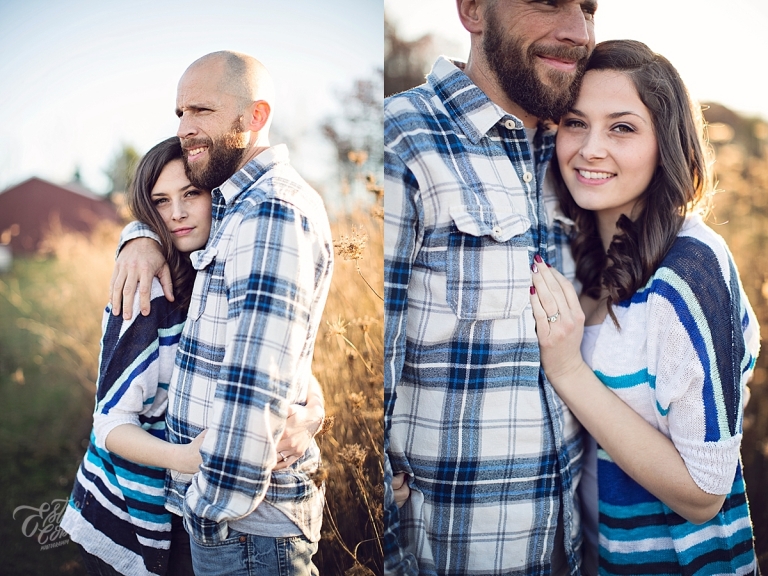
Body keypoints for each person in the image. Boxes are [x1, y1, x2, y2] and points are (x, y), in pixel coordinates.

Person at [529, 40, 760, 575]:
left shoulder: (691, 270)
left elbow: (704, 491)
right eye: (574, 122)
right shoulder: (579, 251)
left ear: (667, 143)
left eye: (622, 128)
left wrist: (567, 370)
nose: (590, 148)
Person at [384, 0, 597, 573]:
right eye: (549, 2)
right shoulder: (401, 143)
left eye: (590, 8)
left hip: (572, 555)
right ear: (474, 10)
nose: (579, 30)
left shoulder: (580, 153)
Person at [108, 51, 333, 576]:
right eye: (180, 113)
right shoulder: (234, 209)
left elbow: (257, 380)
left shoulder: (271, 210)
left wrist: (209, 512)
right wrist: (138, 236)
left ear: (255, 116)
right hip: (223, 520)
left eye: (201, 110)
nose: (186, 127)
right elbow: (263, 344)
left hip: (243, 527)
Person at [61, 137, 325, 576]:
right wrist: (188, 458)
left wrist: (314, 411)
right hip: (128, 508)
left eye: (191, 194)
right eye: (161, 202)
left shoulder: (224, 265)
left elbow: (282, 355)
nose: (178, 213)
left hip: (185, 505)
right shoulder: (145, 291)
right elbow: (109, 423)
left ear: (215, 195)